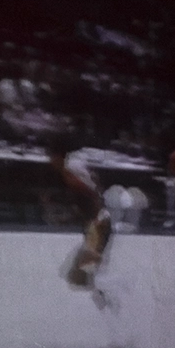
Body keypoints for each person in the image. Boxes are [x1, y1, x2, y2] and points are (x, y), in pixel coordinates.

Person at [45, 122, 112, 296]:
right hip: (97, 221)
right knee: (82, 273)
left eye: (51, 157)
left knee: (81, 275)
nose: (50, 162)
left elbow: (90, 193)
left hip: (98, 222)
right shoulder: (75, 163)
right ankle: (104, 288)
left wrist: (96, 218)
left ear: (58, 155)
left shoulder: (69, 170)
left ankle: (112, 290)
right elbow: (93, 185)